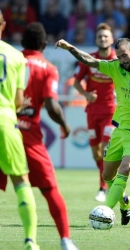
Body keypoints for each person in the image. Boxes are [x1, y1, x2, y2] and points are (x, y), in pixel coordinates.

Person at [55, 37, 130, 225]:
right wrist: (70, 48)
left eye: (125, 55)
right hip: (120, 131)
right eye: (119, 56)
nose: (122, 60)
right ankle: (126, 203)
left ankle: (105, 212)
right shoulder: (114, 68)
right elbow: (89, 60)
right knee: (107, 176)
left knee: (125, 168)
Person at [18, 22, 77, 250]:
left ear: (22, 42)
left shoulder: (11, 60)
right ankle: (65, 240)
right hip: (28, 135)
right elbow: (52, 107)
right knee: (49, 189)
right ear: (44, 44)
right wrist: (64, 124)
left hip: (4, 130)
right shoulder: (47, 68)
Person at [0, 11, 39, 250]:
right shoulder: (16, 57)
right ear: (3, 25)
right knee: (21, 181)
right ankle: (30, 241)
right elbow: (17, 100)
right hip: (5, 120)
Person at [73, 23, 116, 202]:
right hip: (92, 112)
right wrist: (85, 94)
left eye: (106, 36)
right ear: (96, 40)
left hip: (111, 112)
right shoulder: (89, 59)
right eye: (100, 37)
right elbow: (76, 82)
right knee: (96, 154)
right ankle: (108, 180)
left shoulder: (118, 60)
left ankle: (103, 187)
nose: (103, 39)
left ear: (112, 39)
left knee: (106, 149)